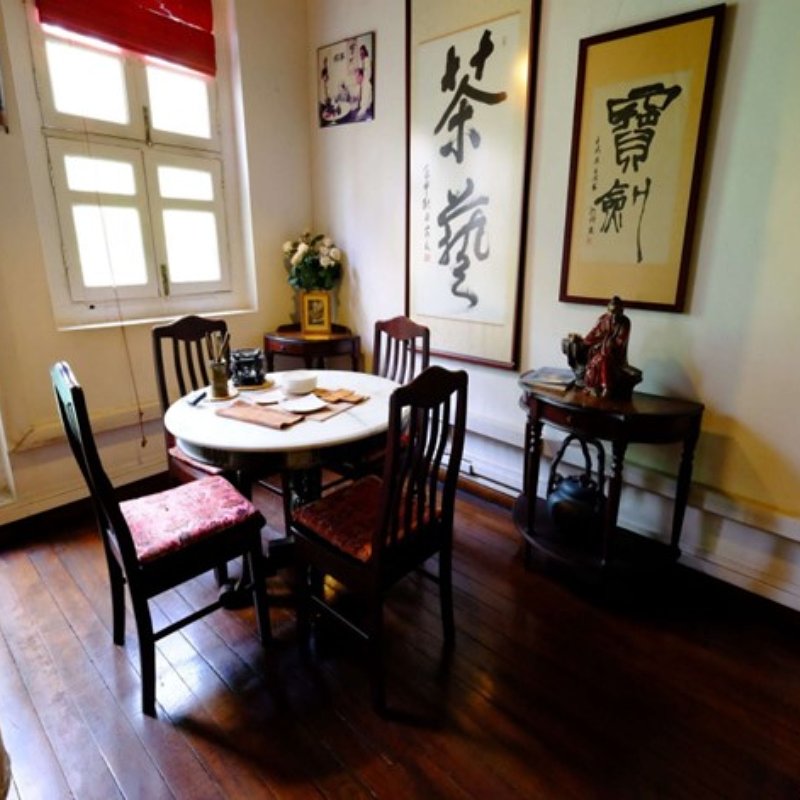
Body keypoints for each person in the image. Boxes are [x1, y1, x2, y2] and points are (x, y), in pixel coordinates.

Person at [564, 296, 642, 399]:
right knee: (593, 360)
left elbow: (620, 341)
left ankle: (606, 387)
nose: (614, 316)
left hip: (614, 353)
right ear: (608, 310)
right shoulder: (603, 319)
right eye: (611, 312)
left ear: (622, 311)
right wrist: (582, 341)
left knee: (603, 359)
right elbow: (593, 334)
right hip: (598, 349)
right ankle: (592, 385)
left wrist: (604, 343)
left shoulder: (625, 322)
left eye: (617, 312)